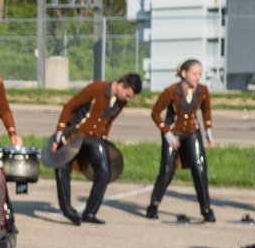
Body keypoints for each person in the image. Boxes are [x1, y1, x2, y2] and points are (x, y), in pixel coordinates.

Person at [51, 72, 142, 224]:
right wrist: (60, 132)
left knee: (105, 172)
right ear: (121, 85)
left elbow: (108, 121)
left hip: (96, 138)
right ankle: (67, 209)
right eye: (127, 95)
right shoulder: (96, 88)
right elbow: (70, 106)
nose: (128, 99)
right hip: (75, 134)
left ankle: (90, 213)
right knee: (62, 167)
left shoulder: (121, 101)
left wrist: (104, 139)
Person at [146, 59, 216, 221]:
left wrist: (209, 133)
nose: (197, 77)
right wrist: (166, 133)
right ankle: (153, 206)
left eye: (200, 73)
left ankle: (206, 209)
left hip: (192, 131)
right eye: (194, 73)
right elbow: (155, 113)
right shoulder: (171, 91)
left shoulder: (203, 90)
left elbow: (206, 111)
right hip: (173, 132)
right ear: (184, 74)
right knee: (167, 171)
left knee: (200, 168)